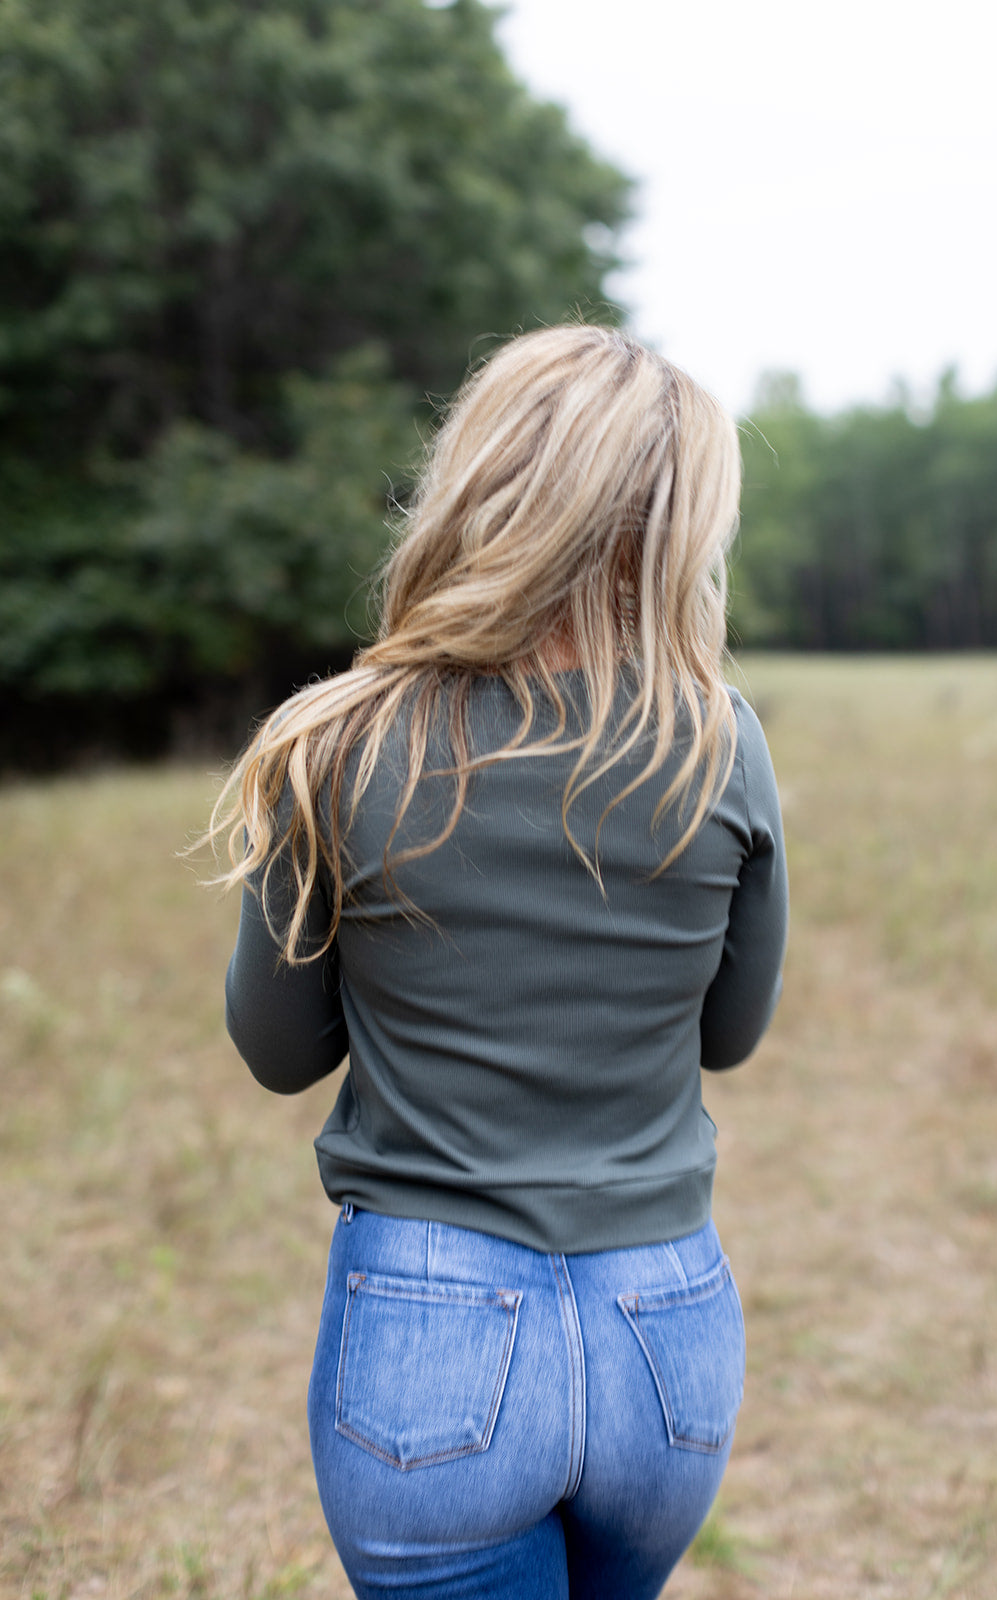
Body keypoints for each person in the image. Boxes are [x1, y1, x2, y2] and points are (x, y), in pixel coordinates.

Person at [214, 324, 788, 1600]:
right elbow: (729, 1033)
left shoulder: (335, 742)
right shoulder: (716, 743)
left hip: (433, 1328)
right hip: (665, 1333)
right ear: (680, 524)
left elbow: (276, 1051)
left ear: (474, 481)